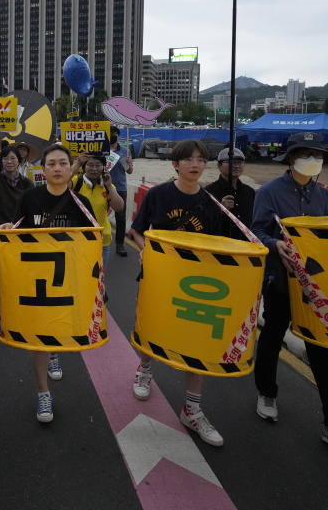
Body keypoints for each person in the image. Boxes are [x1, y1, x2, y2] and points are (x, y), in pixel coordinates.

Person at [251, 132, 328, 457]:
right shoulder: (268, 193)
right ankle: (267, 392)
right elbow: (258, 231)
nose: (313, 160)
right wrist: (273, 243)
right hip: (281, 282)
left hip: (315, 289)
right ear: (291, 158)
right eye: (306, 154)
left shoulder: (325, 198)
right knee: (272, 337)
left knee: (322, 350)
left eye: (317, 155)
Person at [130, 139, 225, 447]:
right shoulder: (158, 195)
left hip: (197, 286)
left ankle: (192, 409)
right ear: (175, 164)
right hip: (158, 277)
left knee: (196, 342)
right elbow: (136, 230)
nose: (195, 164)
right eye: (188, 159)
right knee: (151, 328)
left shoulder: (212, 203)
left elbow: (219, 245)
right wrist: (145, 251)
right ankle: (145, 370)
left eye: (201, 159)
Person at [9, 144, 96, 423]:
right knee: (39, 341)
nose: (57, 168)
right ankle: (43, 393)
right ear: (43, 169)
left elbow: (92, 245)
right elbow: (16, 235)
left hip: (68, 281)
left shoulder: (82, 203)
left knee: (58, 327)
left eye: (62, 163)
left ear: (70, 168)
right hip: (36, 282)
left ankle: (55, 351)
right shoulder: (29, 198)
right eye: (52, 164)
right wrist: (5, 231)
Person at [0, 145, 33, 309]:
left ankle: (18, 306)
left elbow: (31, 208)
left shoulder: (27, 184)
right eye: (5, 158)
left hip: (19, 231)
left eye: (13, 158)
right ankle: (1, 308)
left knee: (19, 270)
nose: (9, 162)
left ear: (20, 161)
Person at [70, 151, 125, 275]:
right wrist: (77, 163)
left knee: (99, 275)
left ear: (104, 168)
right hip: (78, 239)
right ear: (84, 167)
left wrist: (109, 186)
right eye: (90, 165)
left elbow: (119, 207)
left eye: (98, 165)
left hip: (102, 239)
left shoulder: (107, 186)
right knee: (79, 274)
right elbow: (60, 183)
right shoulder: (76, 183)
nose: (94, 169)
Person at [205, 147, 255, 240]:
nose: (236, 166)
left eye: (239, 162)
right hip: (221, 247)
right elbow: (203, 223)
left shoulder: (250, 192)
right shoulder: (208, 192)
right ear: (219, 166)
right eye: (230, 162)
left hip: (247, 247)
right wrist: (220, 210)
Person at [108, 127, 134, 256]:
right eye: (110, 133)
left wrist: (129, 163)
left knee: (121, 217)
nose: (112, 135)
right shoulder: (100, 150)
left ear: (118, 136)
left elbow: (130, 171)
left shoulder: (125, 151)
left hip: (120, 188)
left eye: (115, 133)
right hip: (103, 187)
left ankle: (120, 244)